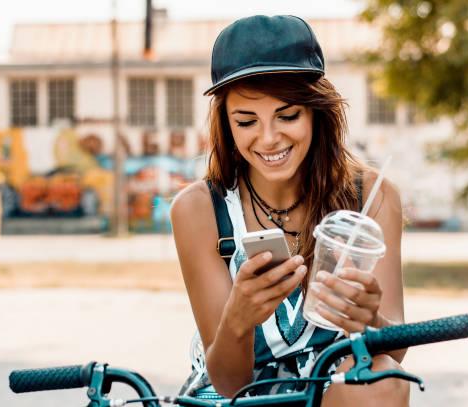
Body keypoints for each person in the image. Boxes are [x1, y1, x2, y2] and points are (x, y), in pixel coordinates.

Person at [170, 15, 409, 406]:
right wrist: (238, 320)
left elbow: (391, 355)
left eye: (288, 115)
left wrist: (371, 320)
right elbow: (230, 383)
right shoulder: (198, 209)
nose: (268, 138)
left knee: (383, 378)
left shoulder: (373, 196)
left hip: (335, 386)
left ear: (317, 111)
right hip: (238, 397)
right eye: (246, 121)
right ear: (226, 125)